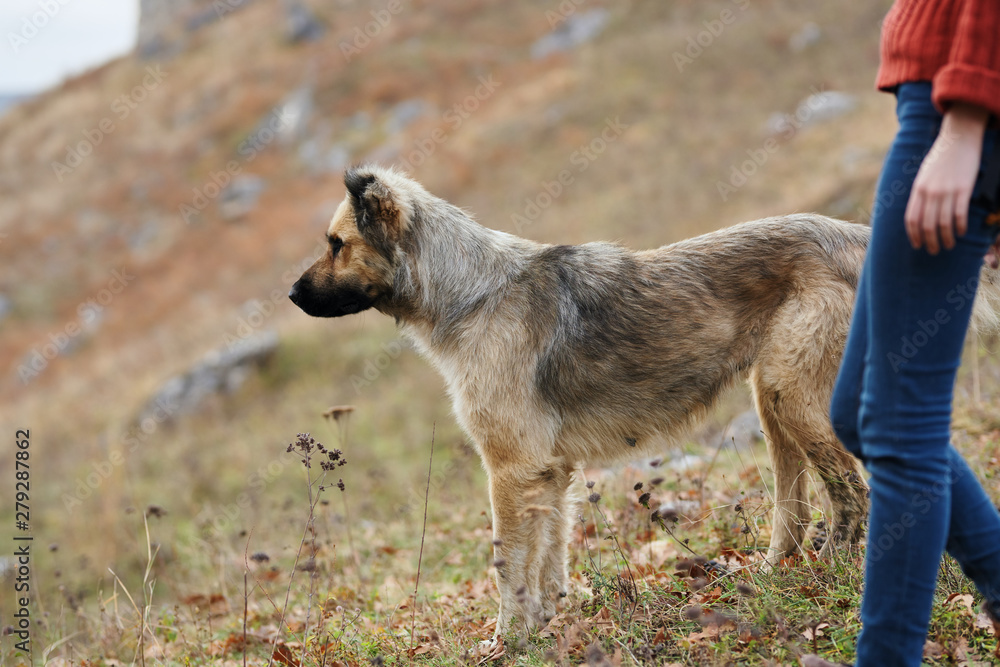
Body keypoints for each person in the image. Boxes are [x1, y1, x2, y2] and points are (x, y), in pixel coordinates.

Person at [804, 1, 1000, 666]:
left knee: (895, 423)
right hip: (942, 101)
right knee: (861, 411)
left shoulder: (966, 112)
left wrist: (970, 119)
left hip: (954, 104)